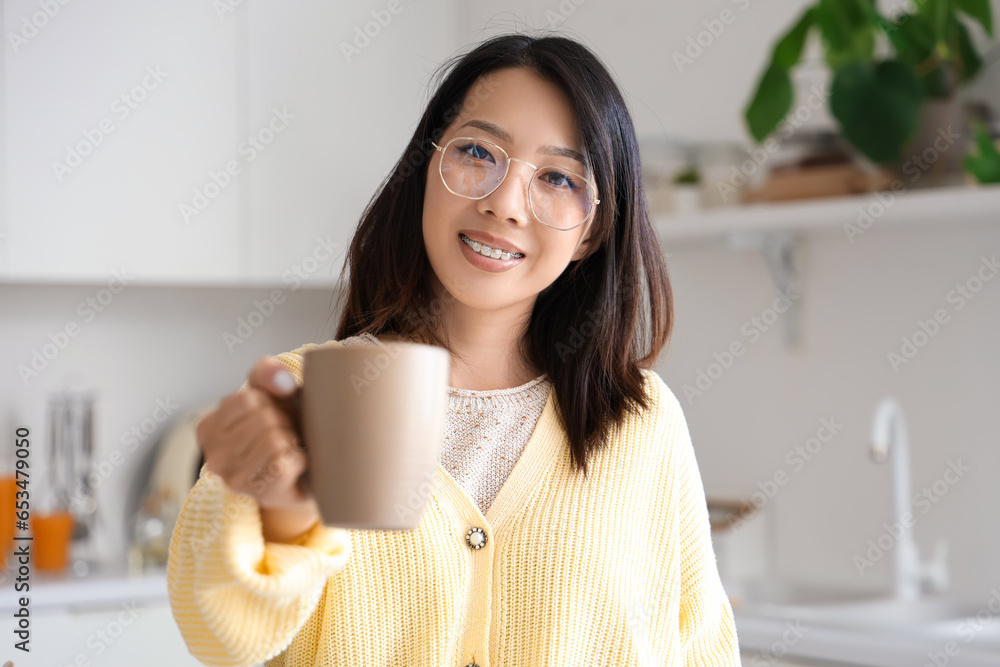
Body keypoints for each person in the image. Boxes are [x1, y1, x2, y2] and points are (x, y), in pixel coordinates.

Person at [167, 31, 741, 666]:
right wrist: (283, 514)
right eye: (476, 151)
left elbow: (703, 650)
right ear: (425, 171)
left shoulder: (641, 421)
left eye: (556, 176)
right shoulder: (302, 397)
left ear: (592, 232)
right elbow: (218, 636)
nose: (503, 203)